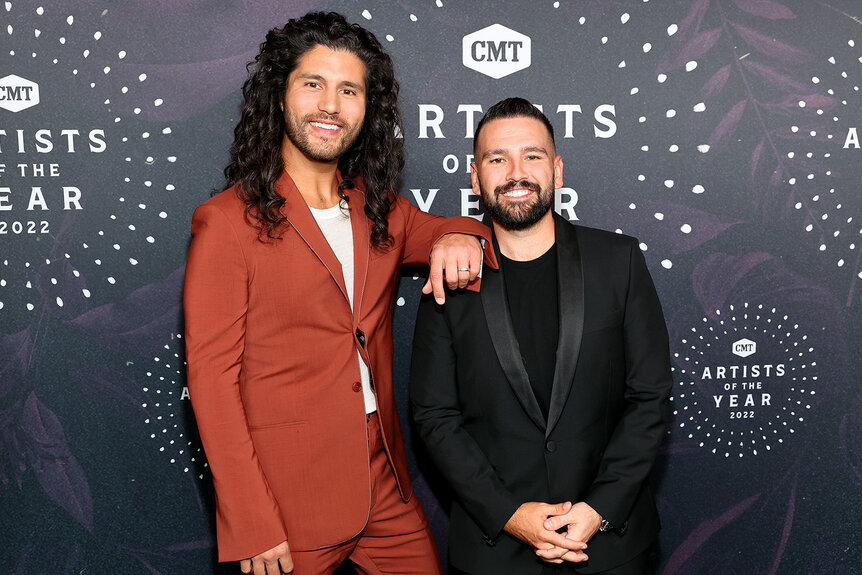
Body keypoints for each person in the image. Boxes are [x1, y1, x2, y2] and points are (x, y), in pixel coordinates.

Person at [183, 12, 495, 575]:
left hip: (384, 482)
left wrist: (459, 233)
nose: (331, 105)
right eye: (313, 84)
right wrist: (250, 516)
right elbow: (211, 381)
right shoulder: (226, 221)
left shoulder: (378, 208)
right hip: (286, 498)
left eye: (348, 90)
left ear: (366, 108)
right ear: (280, 97)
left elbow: (449, 228)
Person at [410, 98, 672, 575]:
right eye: (497, 159)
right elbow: (434, 417)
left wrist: (597, 510)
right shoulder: (448, 278)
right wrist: (510, 515)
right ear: (474, 177)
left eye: (531, 156)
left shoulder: (619, 261)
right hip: (495, 552)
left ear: (557, 169)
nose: (516, 173)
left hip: (610, 547)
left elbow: (649, 396)